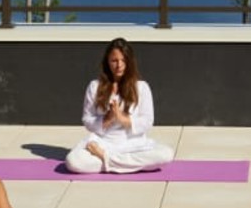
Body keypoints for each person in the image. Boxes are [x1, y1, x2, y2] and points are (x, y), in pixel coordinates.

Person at [64, 37, 176, 174]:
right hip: (103, 143)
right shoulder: (95, 86)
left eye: (123, 60)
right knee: (73, 161)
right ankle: (126, 164)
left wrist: (121, 118)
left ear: (129, 62)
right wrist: (107, 119)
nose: (119, 65)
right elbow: (87, 120)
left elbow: (147, 122)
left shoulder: (141, 87)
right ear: (107, 62)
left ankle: (106, 159)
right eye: (114, 61)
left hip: (133, 144)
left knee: (166, 154)